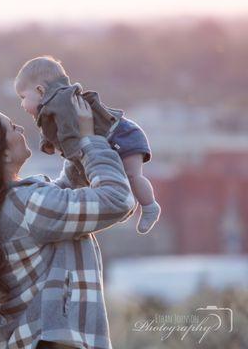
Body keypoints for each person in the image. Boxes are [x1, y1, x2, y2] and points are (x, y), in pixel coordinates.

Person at [0, 96, 136, 349]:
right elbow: (117, 199)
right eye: (13, 127)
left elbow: (61, 204)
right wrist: (91, 141)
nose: (21, 128)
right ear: (1, 153)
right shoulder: (26, 205)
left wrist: (74, 143)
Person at [14, 55, 161, 234]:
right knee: (80, 175)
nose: (22, 104)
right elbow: (52, 133)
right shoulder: (52, 105)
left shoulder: (61, 102)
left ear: (40, 90)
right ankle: (120, 205)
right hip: (110, 139)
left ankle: (149, 206)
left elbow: (69, 132)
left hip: (122, 135)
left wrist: (72, 149)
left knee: (132, 176)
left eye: (23, 97)